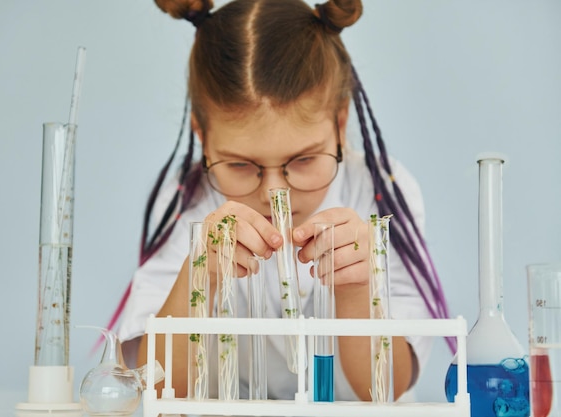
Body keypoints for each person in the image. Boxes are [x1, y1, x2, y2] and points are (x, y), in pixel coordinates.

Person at [114, 0, 453, 402]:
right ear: (203, 138)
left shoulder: (383, 190)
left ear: (340, 124)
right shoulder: (186, 202)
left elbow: (385, 388)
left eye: (304, 159)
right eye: (240, 165)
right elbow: (150, 384)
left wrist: (357, 289)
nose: (275, 194)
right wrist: (200, 276)